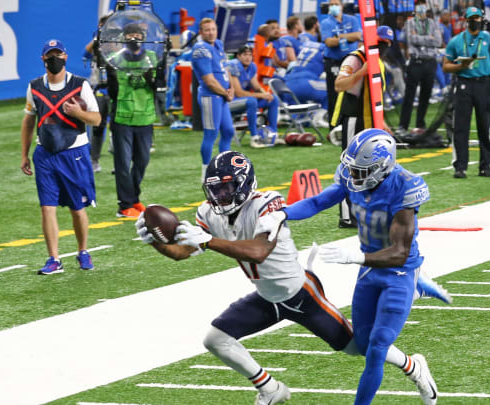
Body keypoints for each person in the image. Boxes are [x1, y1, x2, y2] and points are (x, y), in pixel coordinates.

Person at [136, 150, 444, 405]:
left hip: (301, 295)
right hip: (267, 297)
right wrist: (156, 241)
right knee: (215, 339)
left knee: (360, 347)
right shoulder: (209, 213)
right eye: (215, 189)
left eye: (227, 188)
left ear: (244, 185)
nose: (220, 195)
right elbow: (180, 253)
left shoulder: (267, 204)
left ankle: (413, 366)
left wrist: (206, 240)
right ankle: (270, 388)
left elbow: (258, 251)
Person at [256, 128, 445, 405]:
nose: (353, 175)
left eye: (360, 170)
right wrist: (282, 215)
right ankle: (415, 367)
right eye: (352, 168)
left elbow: (400, 253)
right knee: (362, 344)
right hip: (369, 269)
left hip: (399, 270)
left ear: (381, 168)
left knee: (377, 348)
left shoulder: (406, 186)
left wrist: (356, 257)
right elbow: (319, 201)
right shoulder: (354, 176)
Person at [20, 39, 101, 274]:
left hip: (74, 153)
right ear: (43, 59)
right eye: (50, 55)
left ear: (65, 57)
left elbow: (96, 119)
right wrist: (24, 154)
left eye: (58, 54)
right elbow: (28, 121)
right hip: (44, 154)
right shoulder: (34, 87)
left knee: (77, 208)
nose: (54, 58)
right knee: (47, 207)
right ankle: (53, 259)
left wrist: (79, 113)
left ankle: (83, 250)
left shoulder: (80, 85)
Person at [332, 25, 393, 228]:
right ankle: (346, 215)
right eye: (380, 44)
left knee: (369, 166)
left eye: (387, 45)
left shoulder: (379, 63)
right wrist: (361, 72)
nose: (383, 48)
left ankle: (364, 211)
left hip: (370, 120)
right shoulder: (355, 59)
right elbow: (339, 85)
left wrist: (381, 121)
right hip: (353, 117)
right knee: (349, 166)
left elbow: (377, 95)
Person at [443, 6, 490, 179]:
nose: (475, 21)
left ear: (482, 19)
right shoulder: (457, 40)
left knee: (484, 126)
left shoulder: (489, 39)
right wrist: (459, 66)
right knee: (461, 126)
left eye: (477, 18)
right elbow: (445, 65)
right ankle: (460, 166)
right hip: (464, 84)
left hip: (484, 84)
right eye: (472, 18)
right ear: (466, 19)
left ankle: (486, 165)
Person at [105, 23, 160, 218]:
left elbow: (159, 87)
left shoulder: (153, 58)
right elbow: (112, 93)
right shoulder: (113, 60)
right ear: (124, 37)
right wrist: (111, 77)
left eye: (137, 34)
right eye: (130, 34)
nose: (134, 37)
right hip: (123, 116)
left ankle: (134, 198)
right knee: (122, 163)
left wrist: (150, 80)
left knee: (142, 161)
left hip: (145, 117)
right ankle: (124, 205)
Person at [192, 18, 235, 179]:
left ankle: (224, 167)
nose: (211, 33)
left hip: (222, 94)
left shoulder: (218, 44)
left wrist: (231, 88)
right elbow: (209, 81)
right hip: (211, 96)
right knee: (211, 133)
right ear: (201, 32)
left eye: (213, 29)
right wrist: (226, 92)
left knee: (228, 131)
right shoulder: (200, 50)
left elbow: (225, 69)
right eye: (207, 30)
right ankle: (206, 172)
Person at [399, 0, 444, 132]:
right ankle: (403, 125)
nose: (421, 8)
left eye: (423, 5)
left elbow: (438, 41)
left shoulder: (433, 23)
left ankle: (420, 124)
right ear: (415, 7)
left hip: (430, 62)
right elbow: (410, 39)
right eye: (418, 5)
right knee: (409, 96)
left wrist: (419, 37)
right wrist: (427, 38)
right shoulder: (410, 23)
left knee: (426, 95)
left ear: (426, 7)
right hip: (415, 61)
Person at [227, 45, 279, 148]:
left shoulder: (251, 66)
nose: (248, 57)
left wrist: (265, 94)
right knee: (252, 101)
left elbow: (256, 86)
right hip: (230, 101)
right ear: (238, 56)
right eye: (245, 55)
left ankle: (273, 134)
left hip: (244, 101)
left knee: (273, 99)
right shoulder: (233, 66)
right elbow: (239, 93)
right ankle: (254, 137)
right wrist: (261, 95)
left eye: (250, 55)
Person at [321, 0, 362, 120]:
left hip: (350, 61)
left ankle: (349, 121)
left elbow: (357, 36)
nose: (333, 7)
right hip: (334, 61)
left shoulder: (352, 19)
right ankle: (334, 125)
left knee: (352, 92)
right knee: (334, 94)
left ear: (342, 6)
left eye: (336, 4)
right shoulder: (326, 23)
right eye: (331, 5)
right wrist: (349, 37)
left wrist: (339, 37)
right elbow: (329, 42)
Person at [84, 12, 112, 173]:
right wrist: (99, 37)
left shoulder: (120, 43)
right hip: (98, 89)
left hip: (117, 89)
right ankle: (94, 160)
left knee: (118, 127)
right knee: (97, 126)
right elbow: (85, 54)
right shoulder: (97, 44)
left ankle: (119, 161)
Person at [285, 40, 328, 109]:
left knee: (300, 114)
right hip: (307, 83)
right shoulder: (325, 48)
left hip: (288, 85)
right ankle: (328, 116)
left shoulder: (306, 45)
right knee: (333, 90)